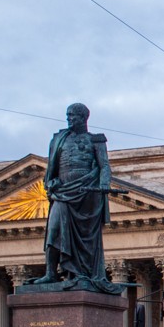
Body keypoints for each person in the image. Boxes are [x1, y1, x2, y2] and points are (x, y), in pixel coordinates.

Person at [27, 103, 121, 294]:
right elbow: (51, 169)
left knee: (85, 240)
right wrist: (51, 182)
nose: (69, 119)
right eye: (68, 116)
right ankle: (50, 273)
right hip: (62, 193)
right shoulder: (58, 139)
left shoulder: (95, 140)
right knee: (54, 231)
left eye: (73, 116)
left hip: (86, 195)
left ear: (84, 118)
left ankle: (82, 273)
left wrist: (104, 183)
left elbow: (104, 166)